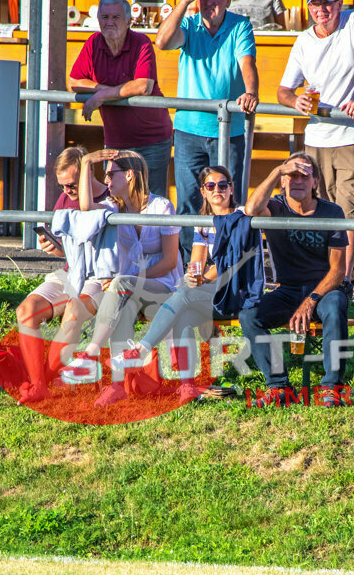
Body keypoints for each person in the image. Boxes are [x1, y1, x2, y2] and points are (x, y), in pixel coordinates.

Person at [60, 150, 181, 407]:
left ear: (128, 175)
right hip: (129, 288)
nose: (106, 181)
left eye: (110, 174)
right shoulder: (113, 207)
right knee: (119, 307)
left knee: (121, 286)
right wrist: (86, 162)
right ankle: (118, 386)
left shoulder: (161, 207)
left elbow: (170, 262)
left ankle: (91, 353)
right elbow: (85, 207)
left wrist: (130, 279)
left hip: (164, 287)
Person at [112, 165, 240, 403]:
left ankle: (142, 349)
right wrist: (193, 276)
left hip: (236, 290)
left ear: (231, 188)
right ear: (203, 191)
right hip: (210, 292)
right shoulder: (203, 221)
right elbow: (196, 263)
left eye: (223, 185)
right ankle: (188, 385)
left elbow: (228, 266)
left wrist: (199, 280)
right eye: (211, 186)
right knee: (181, 311)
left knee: (182, 296)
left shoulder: (240, 215)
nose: (217, 190)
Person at [277, 0, 354, 286]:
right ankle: (320, 278)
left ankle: (342, 283)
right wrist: (297, 101)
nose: (321, 10)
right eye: (315, 4)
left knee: (348, 211)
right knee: (319, 208)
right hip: (317, 137)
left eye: (328, 3)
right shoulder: (303, 40)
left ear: (339, 3)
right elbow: (283, 91)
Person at [241, 153, 349, 407]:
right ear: (282, 181)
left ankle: (332, 387)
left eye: (304, 175)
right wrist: (278, 169)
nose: (297, 181)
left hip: (325, 289)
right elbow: (250, 210)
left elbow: (338, 272)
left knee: (333, 308)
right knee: (249, 315)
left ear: (315, 182)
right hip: (288, 290)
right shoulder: (276, 206)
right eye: (291, 175)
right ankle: (278, 387)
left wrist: (311, 301)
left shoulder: (331, 212)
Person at [156, 0, 258, 259]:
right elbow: (163, 42)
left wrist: (251, 93)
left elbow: (247, 62)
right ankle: (192, 267)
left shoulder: (240, 25)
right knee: (189, 203)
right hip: (188, 130)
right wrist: (183, 2)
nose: (210, 1)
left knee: (227, 203)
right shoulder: (188, 24)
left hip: (229, 131)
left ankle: (224, 264)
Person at [14, 146, 111, 404]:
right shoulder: (65, 199)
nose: (67, 192)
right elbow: (67, 251)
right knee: (26, 310)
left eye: (71, 185)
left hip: (101, 278)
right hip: (72, 273)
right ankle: (40, 383)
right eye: (62, 186)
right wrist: (55, 248)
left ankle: (39, 382)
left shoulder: (111, 197)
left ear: (87, 175)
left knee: (73, 312)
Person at [69, 0, 174, 198]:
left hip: (152, 140)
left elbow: (144, 85)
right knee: (117, 200)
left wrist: (101, 96)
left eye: (116, 17)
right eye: (105, 17)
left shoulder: (141, 42)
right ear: (98, 20)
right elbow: (74, 81)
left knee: (151, 203)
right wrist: (103, 91)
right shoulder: (93, 44)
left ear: (128, 21)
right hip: (116, 142)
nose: (110, 22)